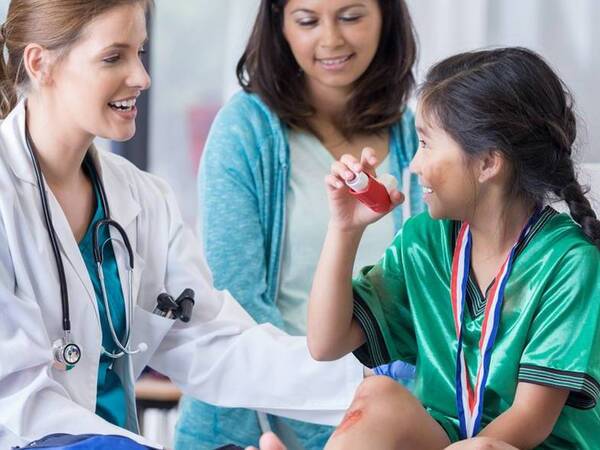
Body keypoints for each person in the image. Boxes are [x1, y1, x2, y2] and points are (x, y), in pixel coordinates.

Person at [0, 1, 367, 448]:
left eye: (140, 52)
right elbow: (18, 402)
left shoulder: (142, 199)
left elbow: (213, 343)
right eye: (114, 56)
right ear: (41, 64)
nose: (141, 77)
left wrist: (368, 383)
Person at [306, 47, 600, 449]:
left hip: (521, 445)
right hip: (448, 438)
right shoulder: (424, 240)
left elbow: (531, 420)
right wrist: (344, 229)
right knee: (377, 396)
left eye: (426, 144)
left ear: (487, 163)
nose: (414, 164)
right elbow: (326, 343)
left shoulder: (569, 262)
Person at [175, 0, 423, 448]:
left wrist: (385, 416)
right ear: (280, 25)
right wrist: (346, 419)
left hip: (386, 419)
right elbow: (239, 299)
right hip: (262, 419)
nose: (330, 39)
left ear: (386, 17)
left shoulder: (414, 136)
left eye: (351, 16)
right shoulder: (245, 129)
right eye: (307, 20)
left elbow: (430, 300)